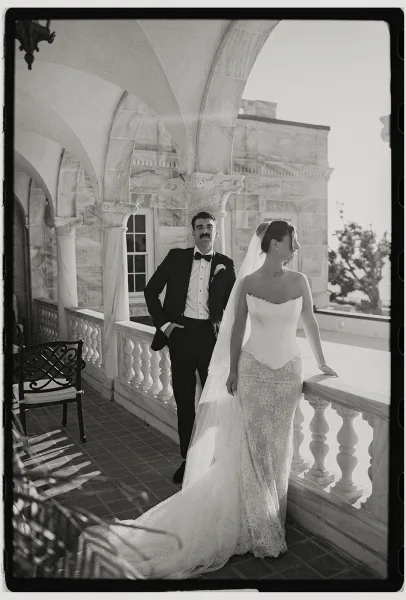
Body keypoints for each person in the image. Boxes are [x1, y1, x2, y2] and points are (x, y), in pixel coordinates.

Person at [80, 220, 337, 579]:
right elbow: (236, 331)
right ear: (275, 244)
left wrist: (321, 360)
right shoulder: (247, 283)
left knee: (279, 445)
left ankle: (267, 512)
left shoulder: (299, 282)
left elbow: (309, 319)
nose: (296, 246)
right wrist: (233, 369)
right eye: (291, 240)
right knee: (251, 444)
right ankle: (256, 520)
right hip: (253, 370)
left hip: (288, 373)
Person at [144, 211, 236, 484]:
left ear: (216, 232)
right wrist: (165, 326)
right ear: (192, 232)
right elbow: (151, 291)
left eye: (209, 227)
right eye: (200, 227)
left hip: (210, 338)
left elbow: (232, 308)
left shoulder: (226, 264)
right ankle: (188, 460)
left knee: (212, 401)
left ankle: (211, 458)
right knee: (185, 402)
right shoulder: (176, 258)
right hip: (181, 335)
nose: (205, 231)